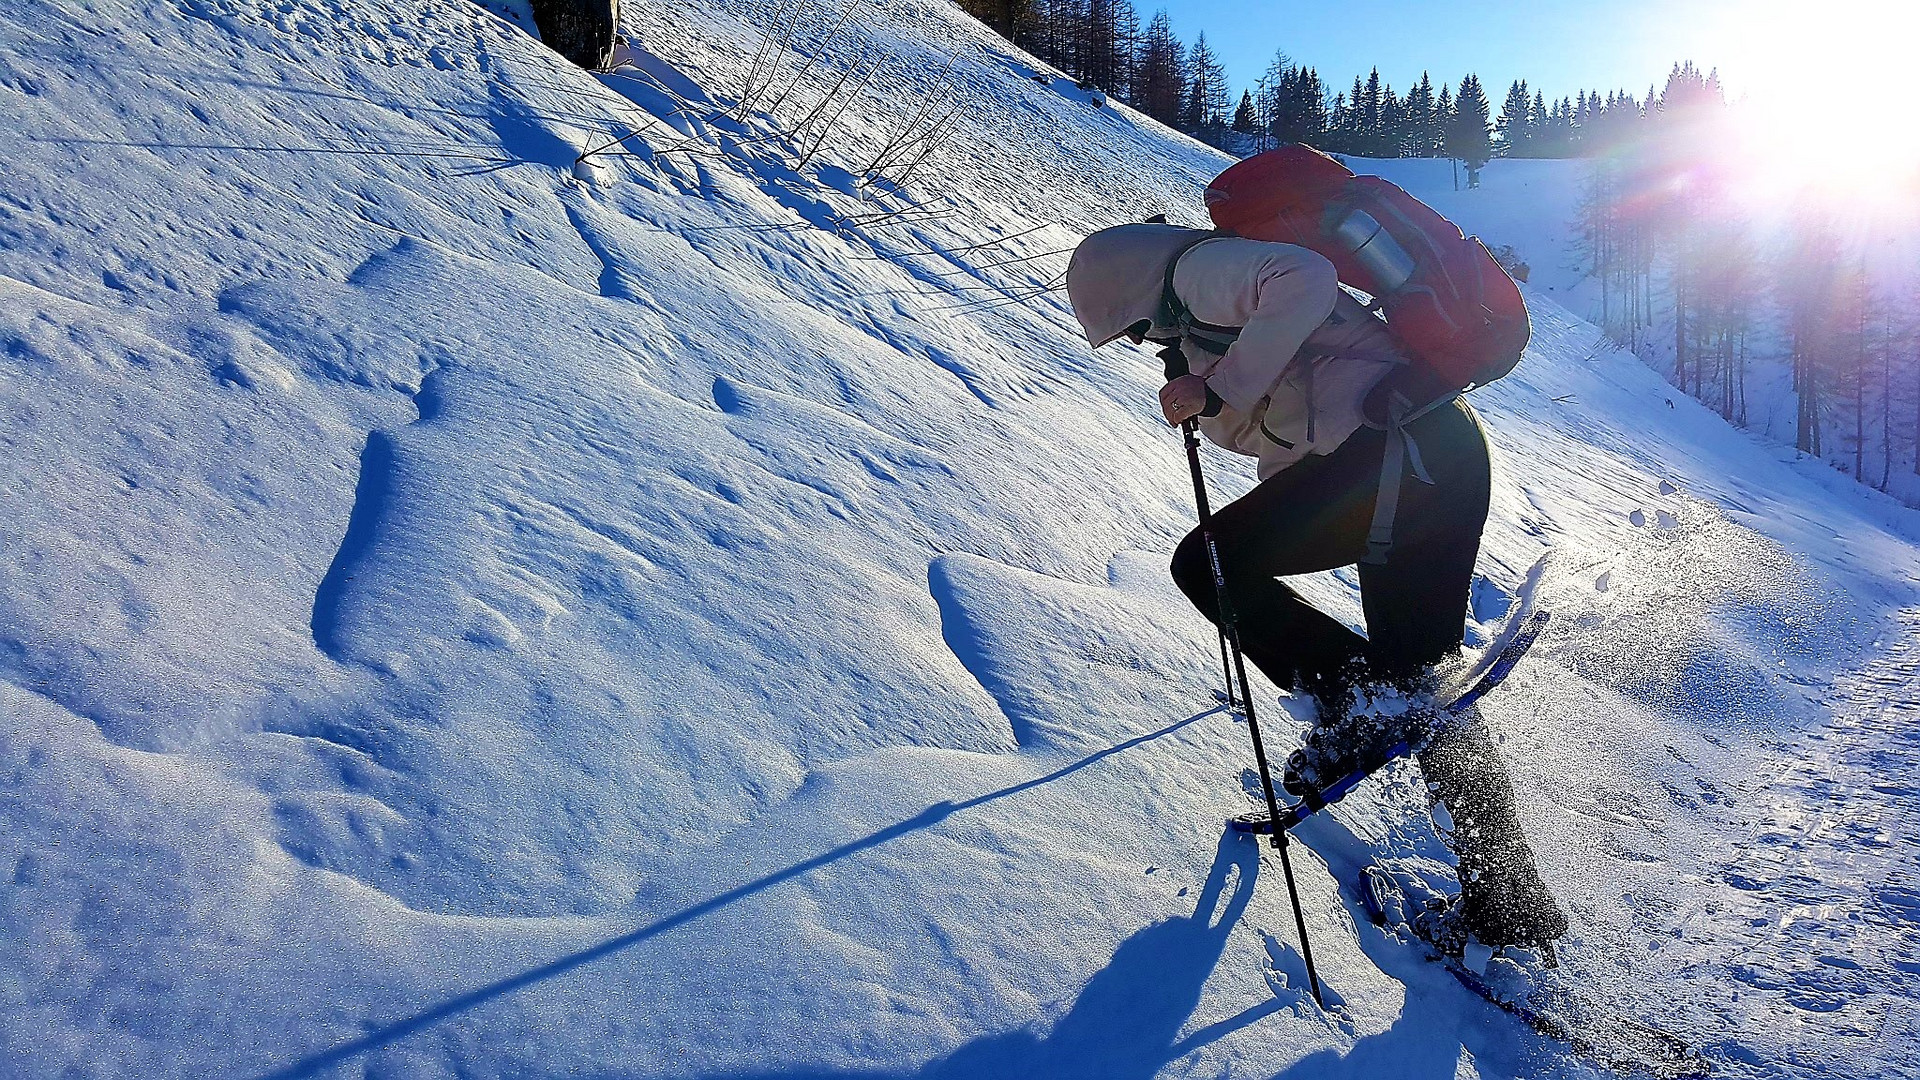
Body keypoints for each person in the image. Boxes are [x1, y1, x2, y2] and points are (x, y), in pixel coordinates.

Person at [1065, 221, 1568, 952]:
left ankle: (1356, 703)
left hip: (1400, 459)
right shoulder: (1213, 319)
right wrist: (1216, 393)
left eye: (1133, 327)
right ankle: (1509, 900)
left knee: (1207, 563)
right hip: (1435, 458)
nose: (1144, 340)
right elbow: (1295, 434)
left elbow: (1305, 277)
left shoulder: (1200, 273)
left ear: (1130, 291)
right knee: (1425, 689)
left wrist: (1216, 389)